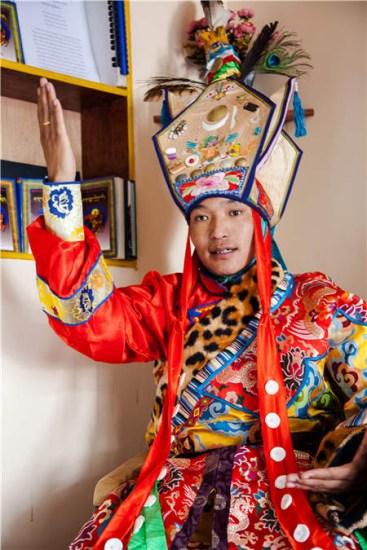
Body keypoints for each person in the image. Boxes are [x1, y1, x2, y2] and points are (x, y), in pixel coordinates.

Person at [27, 5, 367, 550]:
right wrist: (63, 189)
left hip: (290, 495)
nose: (218, 231)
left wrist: (360, 459)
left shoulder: (318, 301)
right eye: (202, 216)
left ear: (260, 219)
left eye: (234, 213)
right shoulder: (165, 300)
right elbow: (86, 319)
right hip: (176, 495)